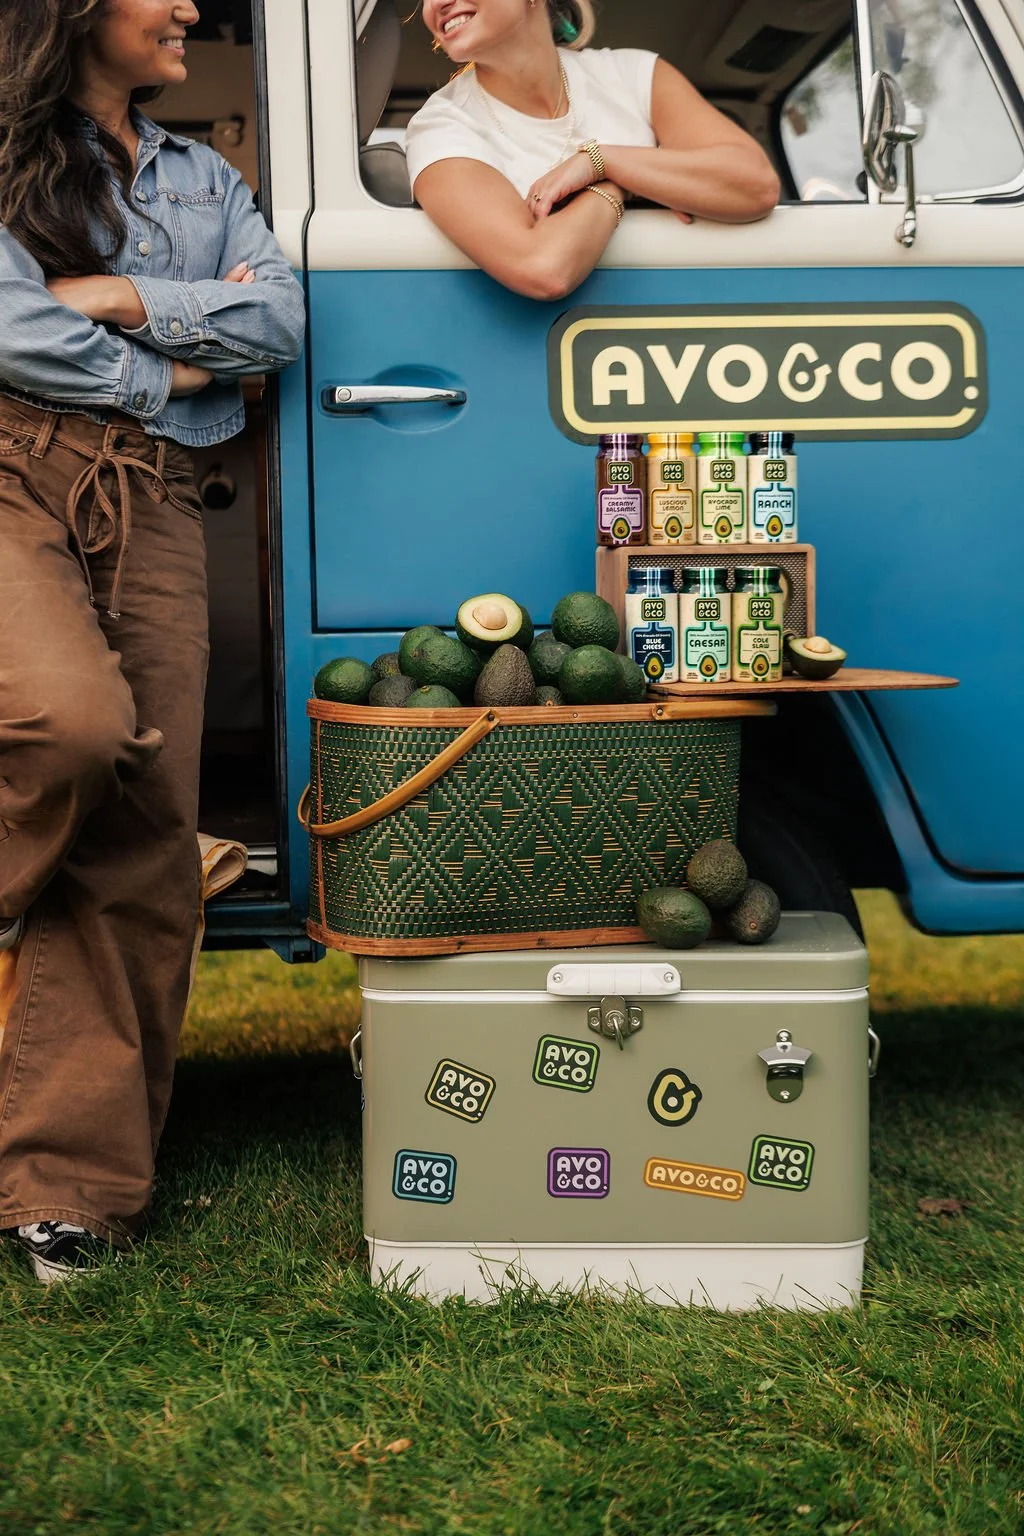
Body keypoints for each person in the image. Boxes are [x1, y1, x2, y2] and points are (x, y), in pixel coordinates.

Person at [0, 0, 305, 1283]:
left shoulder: (209, 174)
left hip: (162, 504)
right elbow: (7, 326)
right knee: (62, 724)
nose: (190, 5)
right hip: (14, 469)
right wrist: (173, 363)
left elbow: (279, 324)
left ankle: (64, 1192)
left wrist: (120, 292)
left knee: (145, 834)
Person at [406, 0, 781, 299]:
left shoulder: (634, 74)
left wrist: (601, 160)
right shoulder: (440, 127)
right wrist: (619, 183)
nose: (437, 3)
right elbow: (544, 269)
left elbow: (756, 186)